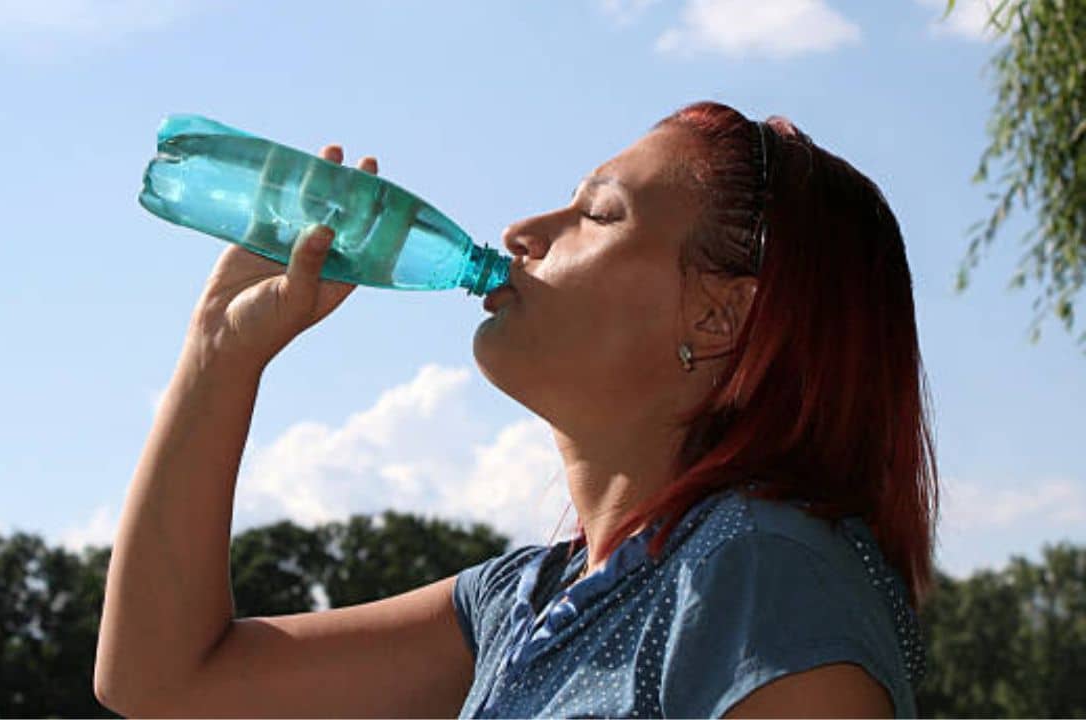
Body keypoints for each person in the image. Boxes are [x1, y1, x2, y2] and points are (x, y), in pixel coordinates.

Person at [93, 100, 938, 718]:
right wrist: (219, 353)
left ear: (717, 315)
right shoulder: (524, 602)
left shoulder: (763, 577)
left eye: (598, 213)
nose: (523, 229)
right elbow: (163, 681)